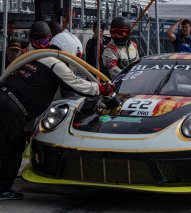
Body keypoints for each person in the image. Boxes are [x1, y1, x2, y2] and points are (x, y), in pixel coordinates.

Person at [0, 21, 116, 201]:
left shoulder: (31, 58)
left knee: (14, 150)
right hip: (11, 109)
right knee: (7, 150)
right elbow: (78, 85)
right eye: (76, 56)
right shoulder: (55, 63)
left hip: (9, 103)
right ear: (69, 50)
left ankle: (3, 188)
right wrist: (101, 89)